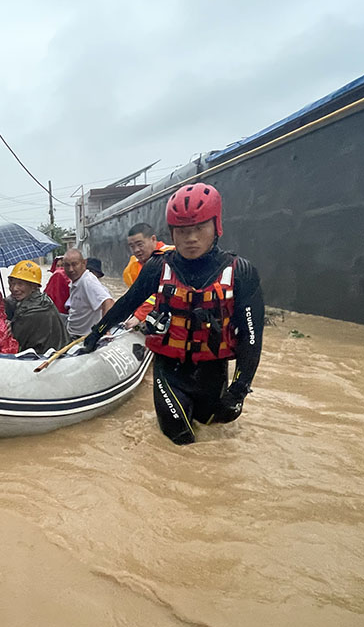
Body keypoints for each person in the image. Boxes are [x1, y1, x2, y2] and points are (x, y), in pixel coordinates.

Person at [81, 183, 264, 446]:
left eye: (199, 228)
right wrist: (97, 333)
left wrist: (239, 389)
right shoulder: (158, 267)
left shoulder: (241, 272)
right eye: (182, 231)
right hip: (170, 372)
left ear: (216, 226)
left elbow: (252, 337)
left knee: (216, 437)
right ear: (172, 232)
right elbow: (128, 303)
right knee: (180, 442)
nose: (190, 238)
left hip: (213, 373)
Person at [4, 260, 70, 354]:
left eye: (20, 284)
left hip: (42, 358)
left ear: (34, 286)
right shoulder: (44, 300)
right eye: (12, 283)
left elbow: (13, 343)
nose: (14, 289)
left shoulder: (29, 312)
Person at [63, 248, 114, 338]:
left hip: (81, 336)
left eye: (74, 264)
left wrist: (104, 329)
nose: (70, 269)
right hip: (71, 330)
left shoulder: (87, 280)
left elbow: (108, 301)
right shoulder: (76, 281)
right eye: (67, 265)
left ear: (84, 263)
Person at [122, 222, 172, 287]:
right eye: (132, 246)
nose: (136, 250)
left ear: (153, 239)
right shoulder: (130, 270)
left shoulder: (173, 256)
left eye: (140, 244)